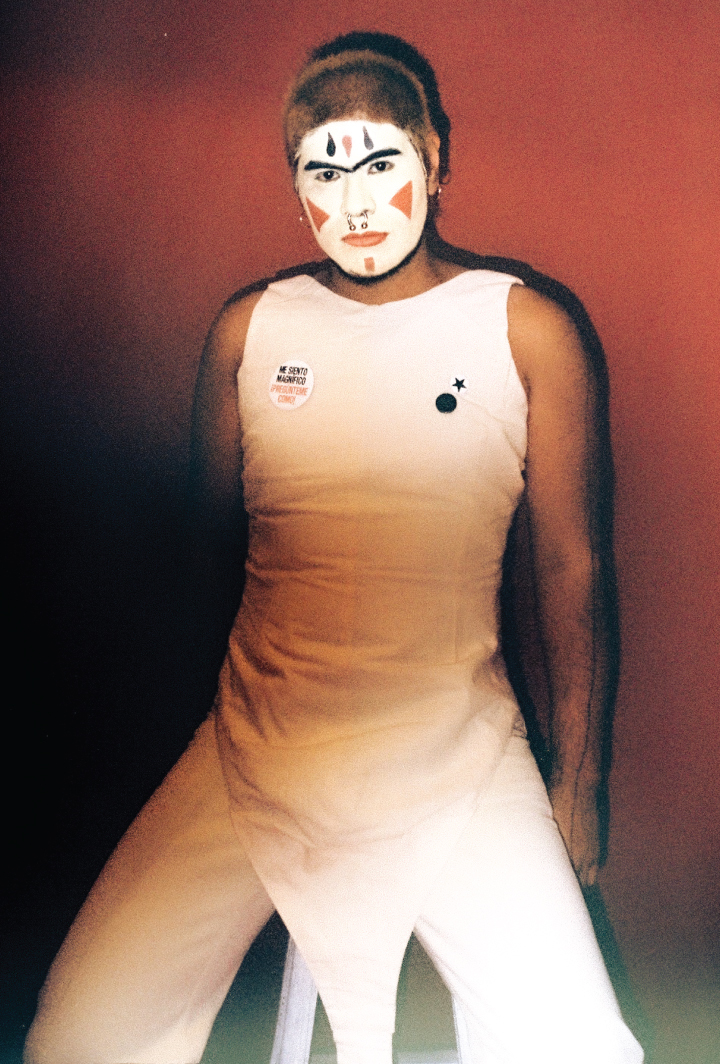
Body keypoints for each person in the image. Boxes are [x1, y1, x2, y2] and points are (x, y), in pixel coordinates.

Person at [25, 31, 644, 1064]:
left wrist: (580, 787)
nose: (354, 202)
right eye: (324, 171)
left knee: (577, 1044)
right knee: (80, 1029)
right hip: (257, 747)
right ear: (295, 185)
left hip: (460, 757)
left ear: (435, 158)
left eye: (379, 163)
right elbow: (205, 560)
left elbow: (572, 569)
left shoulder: (529, 329)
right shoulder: (248, 331)